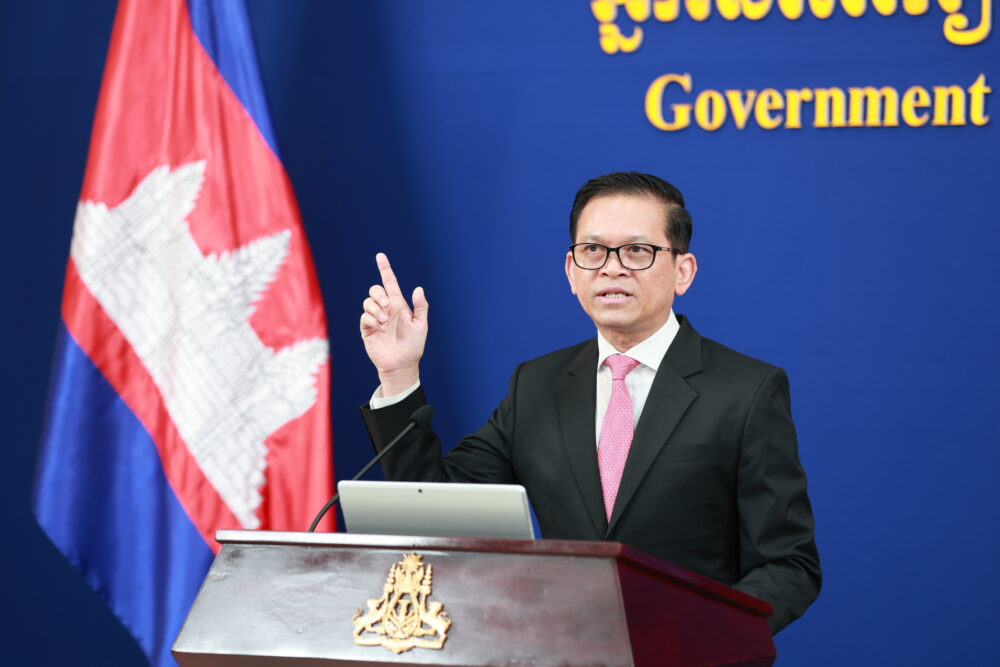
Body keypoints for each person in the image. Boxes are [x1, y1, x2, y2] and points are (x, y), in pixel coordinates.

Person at [357, 172, 820, 633]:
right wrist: (398, 375)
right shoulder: (536, 385)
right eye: (593, 250)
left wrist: (703, 636)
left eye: (637, 251)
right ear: (571, 272)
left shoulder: (747, 390)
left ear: (683, 272)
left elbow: (788, 565)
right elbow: (432, 506)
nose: (611, 268)